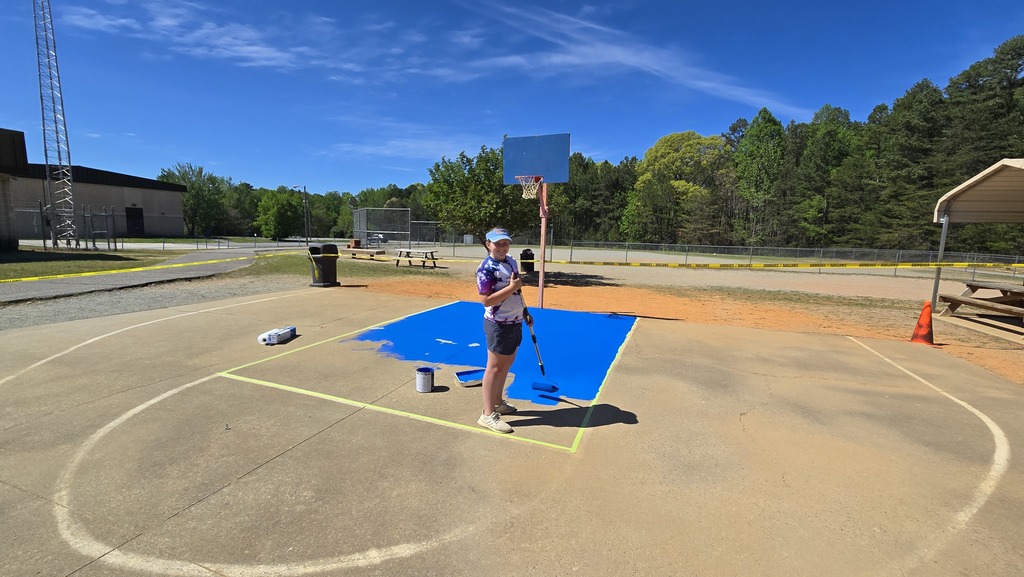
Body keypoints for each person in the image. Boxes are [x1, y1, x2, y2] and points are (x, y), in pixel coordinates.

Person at [474, 227, 532, 433]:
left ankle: (498, 403)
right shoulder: (486, 269)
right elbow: (486, 301)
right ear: (488, 244)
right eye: (498, 243)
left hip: (514, 320)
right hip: (498, 324)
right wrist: (512, 288)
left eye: (505, 243)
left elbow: (518, 292)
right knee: (495, 368)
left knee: (507, 364)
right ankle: (487, 414)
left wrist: (525, 312)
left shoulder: (511, 262)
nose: (502, 247)